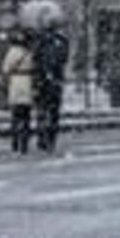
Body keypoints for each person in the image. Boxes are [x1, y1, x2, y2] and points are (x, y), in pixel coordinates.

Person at [32, 17, 70, 152]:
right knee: (54, 112)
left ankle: (41, 137)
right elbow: (64, 59)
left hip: (41, 81)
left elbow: (35, 60)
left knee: (41, 109)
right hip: (55, 81)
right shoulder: (62, 41)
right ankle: (51, 139)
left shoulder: (39, 41)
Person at [3, 30, 35, 154]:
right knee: (26, 115)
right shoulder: (30, 53)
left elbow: (5, 68)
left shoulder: (12, 52)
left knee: (15, 114)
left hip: (15, 83)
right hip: (27, 82)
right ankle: (24, 142)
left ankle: (15, 139)